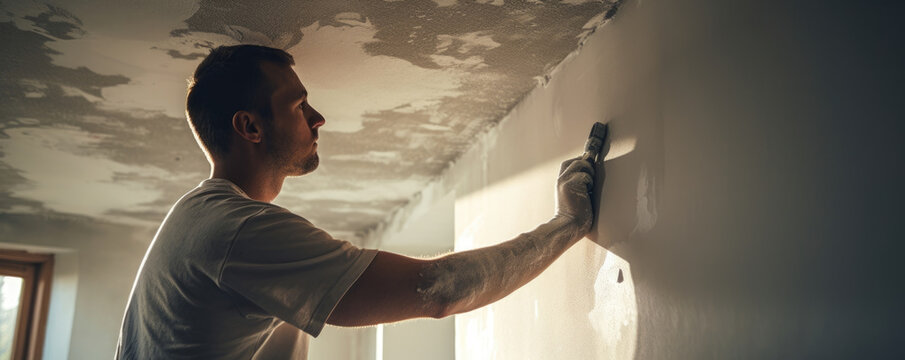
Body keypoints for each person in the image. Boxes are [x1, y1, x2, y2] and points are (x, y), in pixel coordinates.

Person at [115, 44, 597, 359]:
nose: (318, 117)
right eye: (298, 106)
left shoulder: (202, 219)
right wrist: (567, 223)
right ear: (251, 127)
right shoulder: (238, 231)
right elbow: (441, 288)